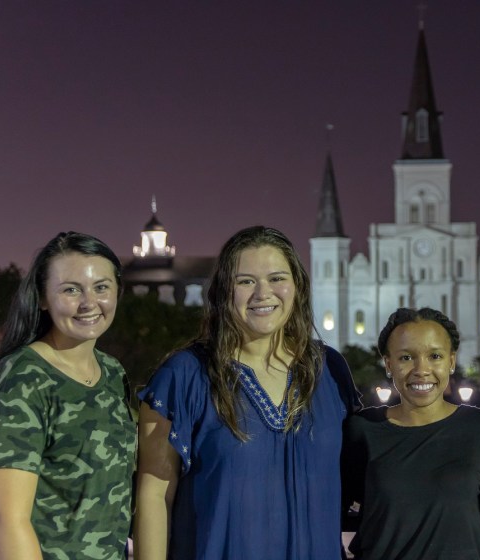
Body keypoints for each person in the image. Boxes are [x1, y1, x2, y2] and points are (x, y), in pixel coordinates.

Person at [134, 225, 359, 559]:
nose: (262, 293)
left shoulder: (330, 370)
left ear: (297, 285)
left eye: (277, 278)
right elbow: (154, 498)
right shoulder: (184, 376)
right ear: (223, 291)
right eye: (245, 281)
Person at [0, 232, 135, 559]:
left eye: (101, 287)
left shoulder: (113, 373)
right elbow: (4, 518)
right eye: (71, 289)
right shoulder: (24, 377)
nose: (89, 303)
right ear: (42, 298)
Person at [342, 307, 480, 560]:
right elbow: (329, 510)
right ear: (388, 364)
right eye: (406, 358)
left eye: (435, 356)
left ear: (451, 361)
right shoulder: (361, 430)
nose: (421, 369)